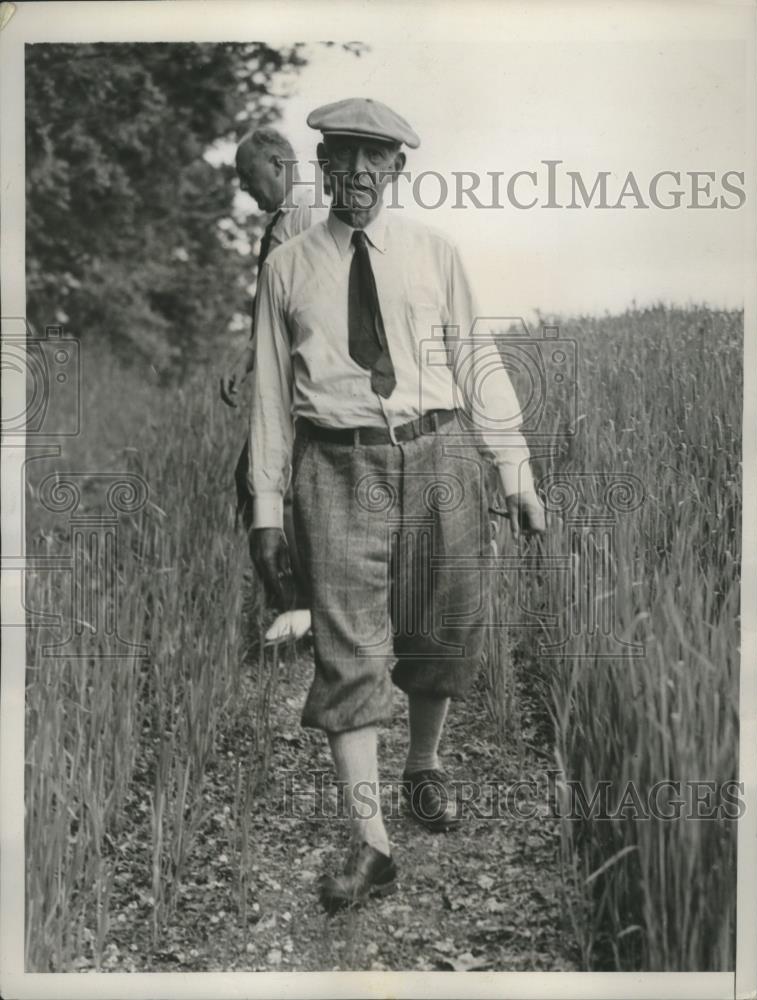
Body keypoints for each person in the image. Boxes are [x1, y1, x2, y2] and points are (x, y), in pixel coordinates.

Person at [248, 98, 546, 912]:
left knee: (438, 624)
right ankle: (371, 846)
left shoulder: (435, 254)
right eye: (339, 159)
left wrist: (513, 468)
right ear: (320, 165)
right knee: (349, 645)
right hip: (335, 464)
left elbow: (478, 361)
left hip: (440, 450)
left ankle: (424, 765)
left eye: (371, 161)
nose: (354, 176)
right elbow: (272, 399)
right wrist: (265, 511)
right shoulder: (288, 266)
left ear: (397, 170)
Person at [220, 125, 324, 639]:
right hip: (280, 369)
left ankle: (303, 611)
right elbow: (272, 311)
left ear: (279, 164)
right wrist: (247, 357)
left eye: (248, 175)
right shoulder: (285, 220)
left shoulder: (312, 214)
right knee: (260, 481)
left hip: (305, 378)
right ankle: (297, 607)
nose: (244, 187)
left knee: (274, 482)